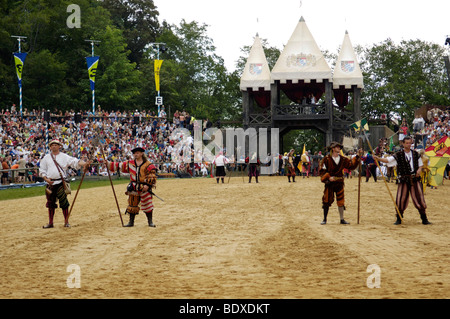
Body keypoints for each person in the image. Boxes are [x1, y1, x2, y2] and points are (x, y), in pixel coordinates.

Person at [374, 136, 431, 225]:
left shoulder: (416, 154)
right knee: (401, 198)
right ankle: (399, 218)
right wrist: (378, 159)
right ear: (403, 144)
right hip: (404, 179)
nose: (408, 145)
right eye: (407, 143)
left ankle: (424, 218)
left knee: (419, 198)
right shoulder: (398, 154)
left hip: (415, 179)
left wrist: (419, 170)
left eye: (410, 143)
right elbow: (388, 160)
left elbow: (420, 165)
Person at [39, 139, 89, 228]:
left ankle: (66, 222)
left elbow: (75, 162)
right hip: (50, 184)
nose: (54, 146)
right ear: (50, 147)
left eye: (56, 144)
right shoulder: (46, 158)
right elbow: (42, 170)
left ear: (59, 146)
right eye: (52, 145)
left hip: (61, 183)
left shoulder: (64, 156)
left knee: (64, 202)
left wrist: (84, 163)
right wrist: (46, 179)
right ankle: (51, 223)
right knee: (50, 204)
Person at [109, 147, 158, 227]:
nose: (135, 154)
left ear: (142, 153)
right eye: (134, 153)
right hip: (134, 186)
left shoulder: (148, 164)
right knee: (132, 204)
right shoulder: (130, 163)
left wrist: (148, 185)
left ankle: (150, 222)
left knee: (147, 204)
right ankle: (131, 222)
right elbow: (119, 166)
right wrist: (108, 164)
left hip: (144, 187)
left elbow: (152, 175)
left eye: (137, 153)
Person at [319, 142, 363, 225]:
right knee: (326, 200)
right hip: (330, 184)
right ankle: (324, 219)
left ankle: (342, 219)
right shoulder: (326, 159)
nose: (339, 148)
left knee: (341, 201)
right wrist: (328, 177)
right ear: (333, 148)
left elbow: (351, 166)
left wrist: (357, 156)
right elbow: (321, 171)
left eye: (339, 147)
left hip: (339, 183)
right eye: (337, 147)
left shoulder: (343, 159)